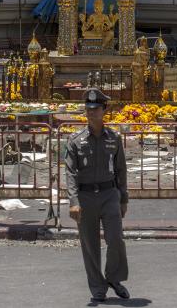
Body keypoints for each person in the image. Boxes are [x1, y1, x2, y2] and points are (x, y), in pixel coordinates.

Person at [65, 88, 130, 303]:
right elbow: (71, 173)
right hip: (85, 197)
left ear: (104, 110)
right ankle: (97, 287)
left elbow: (121, 169)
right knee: (90, 244)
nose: (91, 113)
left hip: (109, 194)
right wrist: (73, 202)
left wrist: (123, 198)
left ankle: (113, 277)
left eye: (95, 109)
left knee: (116, 239)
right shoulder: (75, 140)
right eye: (88, 109)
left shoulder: (114, 138)